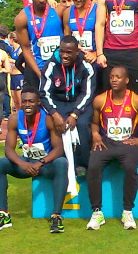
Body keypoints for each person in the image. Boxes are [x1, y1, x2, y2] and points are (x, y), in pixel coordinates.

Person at [86, 66, 138, 230]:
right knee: (93, 166)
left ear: (126, 80)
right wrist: (95, 134)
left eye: (118, 77)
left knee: (130, 168)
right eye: (111, 77)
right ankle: (97, 213)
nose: (114, 80)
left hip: (128, 143)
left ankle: (127, 211)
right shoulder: (100, 100)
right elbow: (94, 123)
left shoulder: (137, 100)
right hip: (107, 142)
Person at [0, 87, 68, 233]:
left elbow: (58, 149)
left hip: (45, 165)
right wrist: (22, 163)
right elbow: (9, 149)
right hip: (26, 164)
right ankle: (3, 215)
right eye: (24, 101)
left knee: (62, 163)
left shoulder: (48, 119)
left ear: (38, 102)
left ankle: (56, 216)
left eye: (31, 101)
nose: (27, 105)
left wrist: (40, 162)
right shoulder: (14, 118)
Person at [40, 35, 96, 170]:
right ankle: (58, 162)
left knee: (82, 125)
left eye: (69, 52)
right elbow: (44, 93)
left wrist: (75, 114)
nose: (64, 56)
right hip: (58, 102)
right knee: (56, 125)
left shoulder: (86, 66)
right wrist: (54, 113)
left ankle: (82, 164)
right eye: (62, 51)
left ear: (77, 52)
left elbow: (87, 93)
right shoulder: (51, 65)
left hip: (78, 102)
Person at [15, 0, 67, 88]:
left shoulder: (59, 11)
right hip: (37, 68)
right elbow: (26, 49)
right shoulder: (22, 18)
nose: (42, 0)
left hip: (60, 67)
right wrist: (40, 75)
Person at [63, 0, 97, 64]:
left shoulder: (97, 10)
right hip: (77, 64)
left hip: (95, 62)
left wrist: (96, 54)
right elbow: (67, 39)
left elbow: (107, 38)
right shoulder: (67, 12)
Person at [0, 25, 13, 120]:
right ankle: (7, 112)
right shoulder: (7, 47)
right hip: (4, 70)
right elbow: (14, 57)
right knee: (6, 91)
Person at [8, 32, 24, 111]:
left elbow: (24, 64)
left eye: (8, 39)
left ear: (12, 39)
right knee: (15, 101)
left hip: (19, 76)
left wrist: (12, 61)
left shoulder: (20, 50)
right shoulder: (12, 50)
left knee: (20, 100)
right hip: (12, 76)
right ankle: (17, 118)